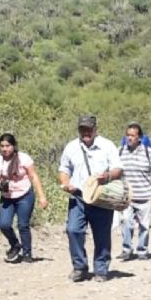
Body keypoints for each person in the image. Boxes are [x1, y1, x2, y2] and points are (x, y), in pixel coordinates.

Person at [58, 115, 122, 282]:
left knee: (102, 234)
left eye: (89, 129)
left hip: (101, 195)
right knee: (73, 230)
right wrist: (66, 184)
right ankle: (80, 267)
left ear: (95, 129)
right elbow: (64, 169)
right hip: (78, 196)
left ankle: (101, 269)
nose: (85, 132)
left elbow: (118, 168)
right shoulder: (71, 147)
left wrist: (107, 176)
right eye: (82, 129)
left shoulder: (107, 146)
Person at [0, 133, 48, 263]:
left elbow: (33, 176)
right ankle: (15, 244)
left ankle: (27, 253)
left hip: (24, 195)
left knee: (23, 225)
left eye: (7, 146)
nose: (5, 149)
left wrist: (41, 196)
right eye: (2, 146)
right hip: (7, 196)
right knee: (4, 224)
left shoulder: (23, 158)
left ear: (13, 146)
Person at [118, 123, 151, 261]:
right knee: (126, 222)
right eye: (127, 135)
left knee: (144, 226)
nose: (129, 138)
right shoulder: (120, 152)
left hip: (145, 196)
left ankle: (142, 250)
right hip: (127, 197)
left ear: (139, 137)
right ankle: (126, 249)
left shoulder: (148, 153)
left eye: (132, 135)